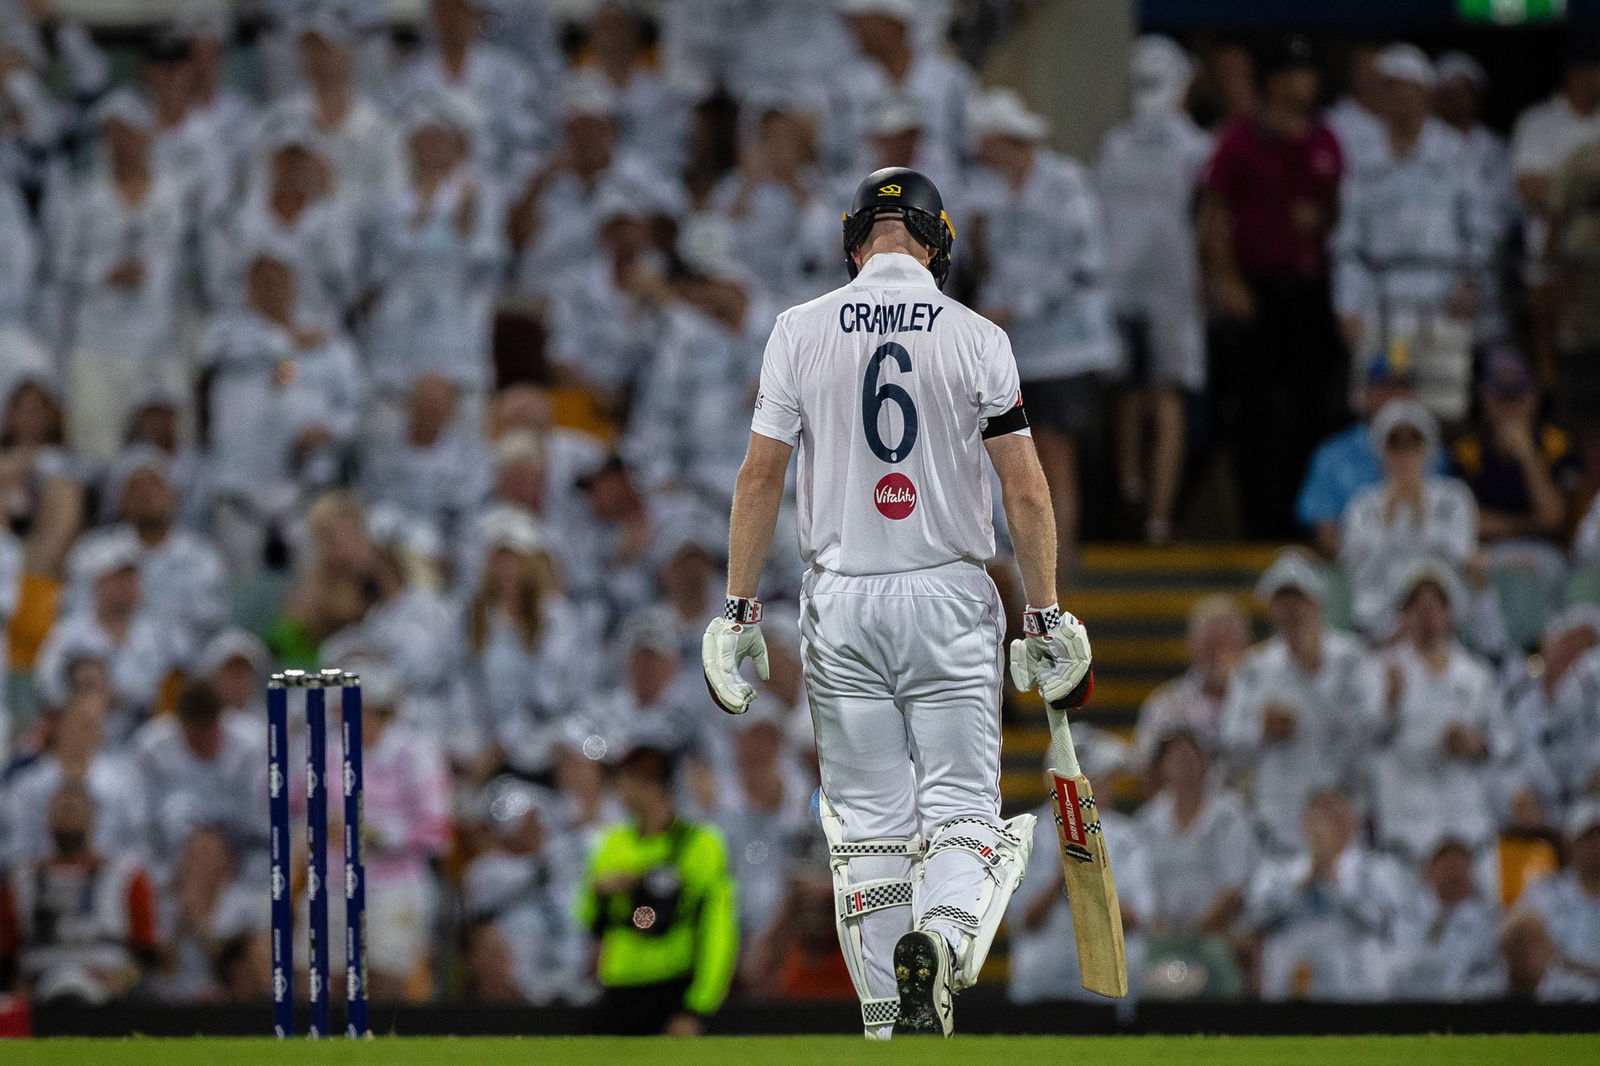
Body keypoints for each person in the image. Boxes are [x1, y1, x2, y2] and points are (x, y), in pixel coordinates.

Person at [701, 168, 1093, 1036]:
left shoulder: (798, 330)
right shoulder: (979, 335)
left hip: (840, 600)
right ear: (936, 240)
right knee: (958, 808)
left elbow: (761, 475)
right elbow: (1025, 493)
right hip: (949, 593)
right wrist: (1047, 613)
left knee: (871, 830)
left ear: (854, 241)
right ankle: (946, 944)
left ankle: (890, 1025)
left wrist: (735, 611)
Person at [965, 90, 1119, 581]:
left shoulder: (1065, 184)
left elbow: (1085, 266)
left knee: (1053, 457)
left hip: (1066, 349)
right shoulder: (994, 193)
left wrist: (1017, 307)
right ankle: (1033, 563)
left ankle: (1062, 567)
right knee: (1021, 458)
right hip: (1021, 351)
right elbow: (999, 268)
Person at [1199, 34, 1345, 539]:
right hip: (1256, 292)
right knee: (1256, 413)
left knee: (1311, 407)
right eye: (1295, 74)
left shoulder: (1325, 138)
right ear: (1276, 82)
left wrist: (1321, 218)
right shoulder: (1241, 137)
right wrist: (1227, 281)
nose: (1305, 84)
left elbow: (1335, 210)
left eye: (1310, 74)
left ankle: (1305, 521)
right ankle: (1258, 524)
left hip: (1308, 291)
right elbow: (1213, 215)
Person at [1331, 45, 1494, 405]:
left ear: (1425, 92)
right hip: (1379, 299)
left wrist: (1470, 283)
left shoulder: (1455, 151)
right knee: (1377, 406)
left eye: (1407, 86)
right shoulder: (1361, 154)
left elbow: (1480, 228)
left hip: (1442, 297)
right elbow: (1347, 241)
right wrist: (1347, 304)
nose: (1399, 96)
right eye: (1389, 87)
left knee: (1442, 407)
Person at [1099, 36, 1210, 544]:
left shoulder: (1114, 144)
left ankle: (1129, 491)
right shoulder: (1197, 147)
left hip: (1119, 281)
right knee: (1167, 398)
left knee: (1128, 396)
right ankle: (1159, 517)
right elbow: (1208, 223)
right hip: (1173, 288)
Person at [1221, 550, 1384, 854]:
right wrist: (1262, 730)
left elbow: (1372, 727)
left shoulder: (1352, 657)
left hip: (1340, 806)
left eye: (1298, 600)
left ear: (1316, 602)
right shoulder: (1254, 667)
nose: (1291, 610)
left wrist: (1314, 678)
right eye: (1282, 602)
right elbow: (1231, 745)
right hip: (1278, 816)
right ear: (1271, 609)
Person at [577, 744, 738, 1036]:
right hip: (620, 984)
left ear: (651, 785)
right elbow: (589, 919)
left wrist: (697, 1006)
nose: (620, 788)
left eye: (626, 779)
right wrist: (601, 890)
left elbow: (717, 930)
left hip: (675, 984)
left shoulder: (700, 845)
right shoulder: (613, 843)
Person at [1372, 561, 1512, 873]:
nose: (1426, 617)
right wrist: (1389, 703)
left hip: (1468, 822)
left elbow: (1503, 743)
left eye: (1434, 608)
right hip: (1407, 827)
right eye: (1417, 608)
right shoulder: (1381, 669)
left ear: (1449, 614)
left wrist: (1476, 745)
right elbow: (1365, 740)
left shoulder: (1477, 675)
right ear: (1403, 616)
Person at [0, 782, 159, 1004]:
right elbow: (6, 953)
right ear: (47, 817)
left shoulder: (126, 876)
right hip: (38, 981)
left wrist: (127, 978)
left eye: (76, 810)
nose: (68, 817)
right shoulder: (20, 879)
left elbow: (147, 951)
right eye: (62, 809)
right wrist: (16, 983)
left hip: (109, 984)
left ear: (93, 817)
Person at [1244, 789, 1407, 1001]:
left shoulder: (1378, 868)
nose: (1330, 827)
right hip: (1290, 978)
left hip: (1356, 981)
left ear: (1354, 823)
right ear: (1306, 823)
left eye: (1338, 818)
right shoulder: (1278, 869)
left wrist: (1333, 884)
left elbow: (1380, 923)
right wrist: (1304, 882)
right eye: (1323, 819)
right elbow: (1255, 919)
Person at [1340, 399, 1477, 637]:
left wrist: (1423, 520)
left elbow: (1463, 560)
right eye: (1396, 446)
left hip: (1442, 622)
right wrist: (1386, 523)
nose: (1405, 456)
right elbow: (1356, 573)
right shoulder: (1362, 505)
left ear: (1427, 449)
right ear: (1382, 451)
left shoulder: (1454, 498)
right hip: (1378, 627)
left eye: (1413, 445)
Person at [1295, 348, 1447, 556]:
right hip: (1356, 571)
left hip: (1424, 571)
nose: (1395, 398)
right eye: (1386, 388)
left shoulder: (1435, 453)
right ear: (1366, 393)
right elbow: (1324, 531)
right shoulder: (1332, 455)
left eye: (1402, 387)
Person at [1132, 594, 1249, 768]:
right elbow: (1146, 767)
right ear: (1192, 646)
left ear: (1245, 644)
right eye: (1210, 645)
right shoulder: (1167, 704)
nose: (1218, 656)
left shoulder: (1266, 699)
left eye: (1226, 643)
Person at [1389, 839, 1501, 1000]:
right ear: (1429, 874)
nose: (1454, 876)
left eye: (1460, 868)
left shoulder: (1488, 923)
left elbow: (1490, 973)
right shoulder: (1408, 917)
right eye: (1447, 868)